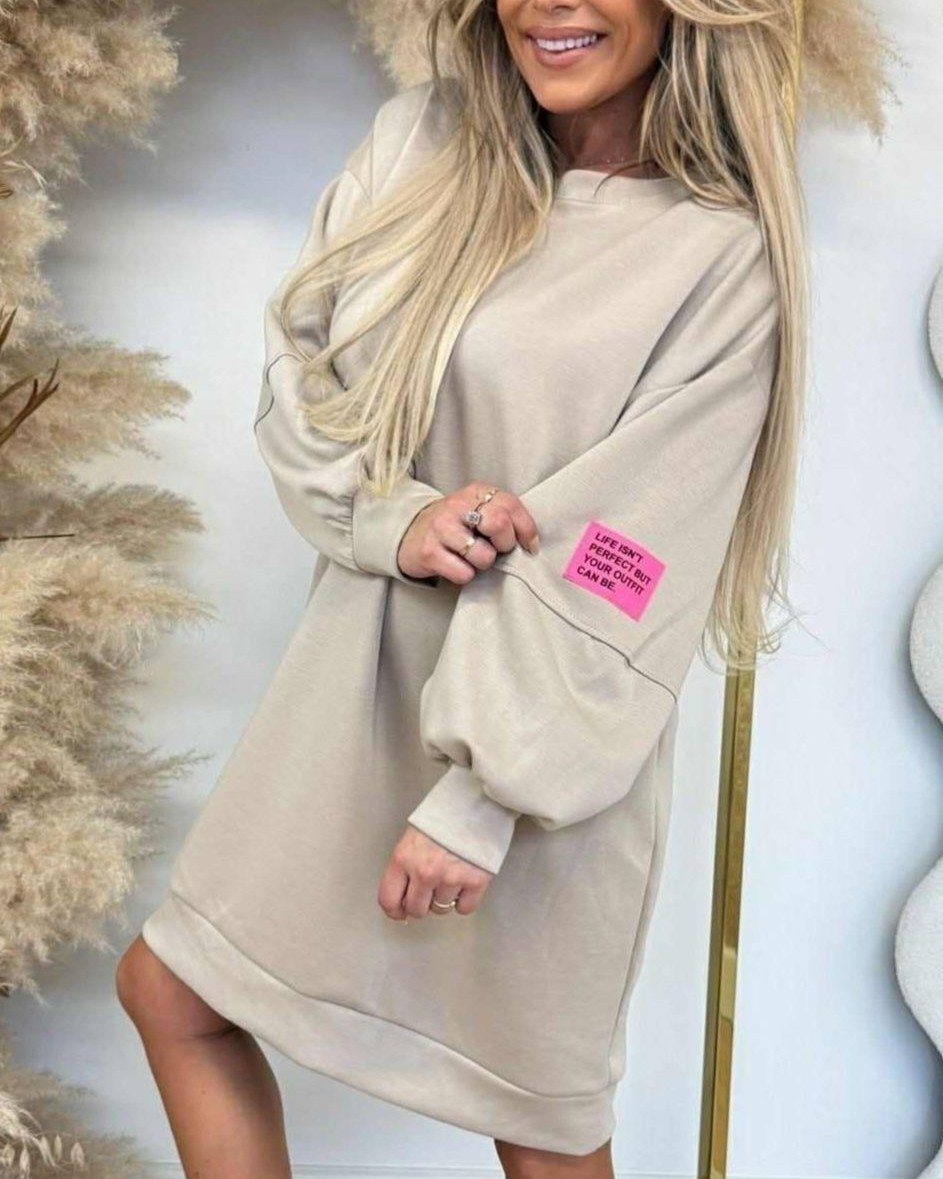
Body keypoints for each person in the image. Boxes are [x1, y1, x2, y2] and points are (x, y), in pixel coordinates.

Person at [115, 1, 805, 1176]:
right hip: (350, 693)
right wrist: (389, 516)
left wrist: (483, 800)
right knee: (172, 993)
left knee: (540, 1125)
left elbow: (629, 560)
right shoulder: (421, 142)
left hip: (546, 736)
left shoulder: (720, 253)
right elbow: (302, 367)